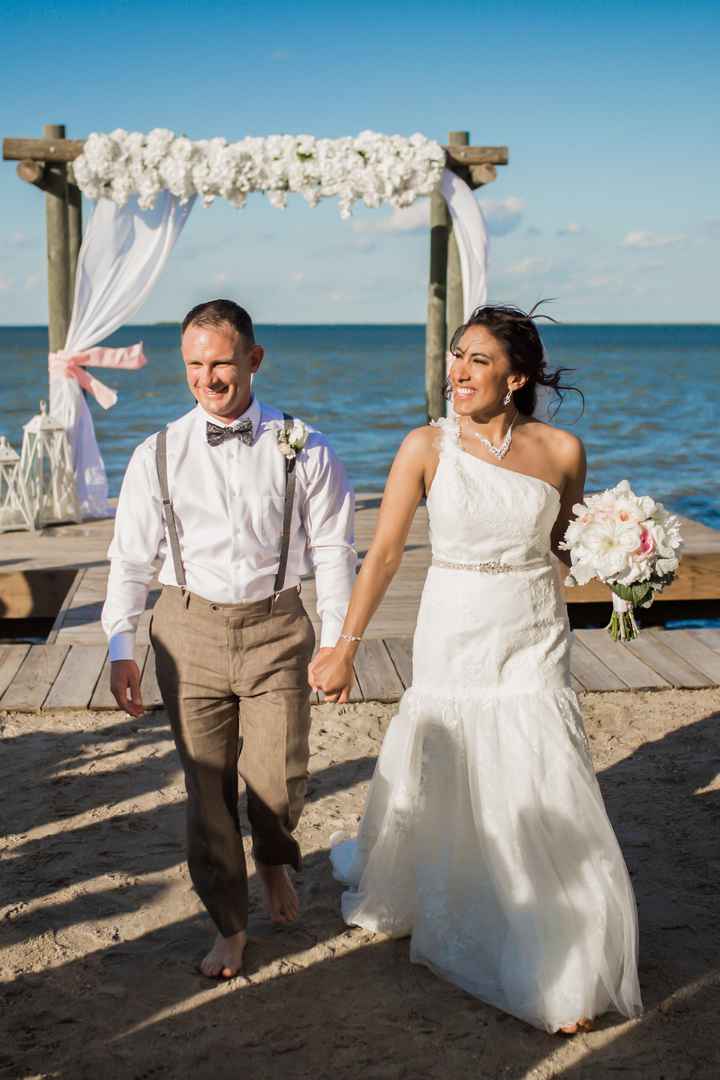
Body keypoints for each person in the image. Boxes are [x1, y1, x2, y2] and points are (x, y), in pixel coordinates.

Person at [309, 304, 642, 1034]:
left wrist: (626, 560)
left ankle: (561, 947)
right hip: (456, 625)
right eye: (457, 355)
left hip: (533, 629)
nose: (457, 371)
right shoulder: (425, 447)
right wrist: (345, 644)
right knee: (458, 764)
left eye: (478, 360)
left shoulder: (561, 451)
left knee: (543, 763)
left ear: (516, 377)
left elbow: (570, 544)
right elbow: (388, 553)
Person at [102, 299, 355, 978]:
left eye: (221, 362)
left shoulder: (306, 445)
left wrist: (338, 642)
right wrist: (120, 648)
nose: (208, 378)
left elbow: (333, 549)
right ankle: (229, 924)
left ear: (253, 359)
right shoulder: (155, 454)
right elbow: (129, 559)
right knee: (206, 791)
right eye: (194, 365)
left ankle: (273, 854)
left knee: (280, 779)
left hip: (277, 626)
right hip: (188, 631)